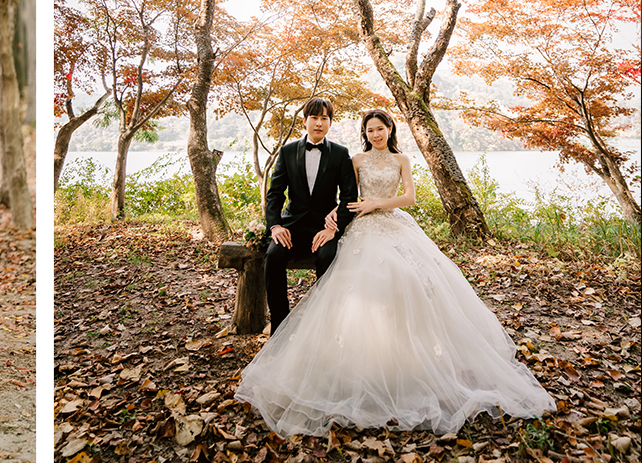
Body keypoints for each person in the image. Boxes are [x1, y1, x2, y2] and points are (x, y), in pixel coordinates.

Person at [234, 108, 555, 437]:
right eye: (369, 130)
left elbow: (409, 197)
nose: (375, 134)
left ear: (390, 129)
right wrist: (332, 214)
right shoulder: (353, 159)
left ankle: (411, 357)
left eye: (380, 129)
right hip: (348, 223)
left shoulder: (399, 160)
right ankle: (296, 336)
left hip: (392, 221)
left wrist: (372, 205)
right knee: (339, 275)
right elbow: (346, 195)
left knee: (407, 275)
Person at [262, 97, 358, 334]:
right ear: (304, 121)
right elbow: (274, 195)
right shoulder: (287, 152)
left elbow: (349, 197)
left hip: (324, 228)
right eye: (314, 117)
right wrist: (275, 226)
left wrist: (333, 228)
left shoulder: (340, 154)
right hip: (291, 226)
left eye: (324, 118)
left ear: (330, 123)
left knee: (329, 258)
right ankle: (279, 327)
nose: (318, 123)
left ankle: (323, 327)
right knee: (273, 256)